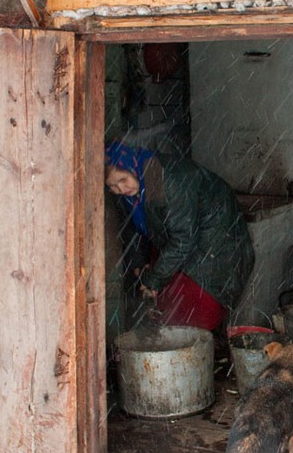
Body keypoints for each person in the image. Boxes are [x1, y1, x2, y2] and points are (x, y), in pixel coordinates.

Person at [105, 141, 254, 331]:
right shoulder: (135, 190)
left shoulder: (168, 180)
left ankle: (195, 343)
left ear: (133, 168)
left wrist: (153, 279)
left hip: (217, 242)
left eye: (123, 180)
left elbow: (183, 241)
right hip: (188, 239)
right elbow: (133, 229)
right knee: (171, 308)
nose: (120, 189)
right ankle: (178, 340)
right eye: (112, 186)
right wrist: (138, 264)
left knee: (199, 309)